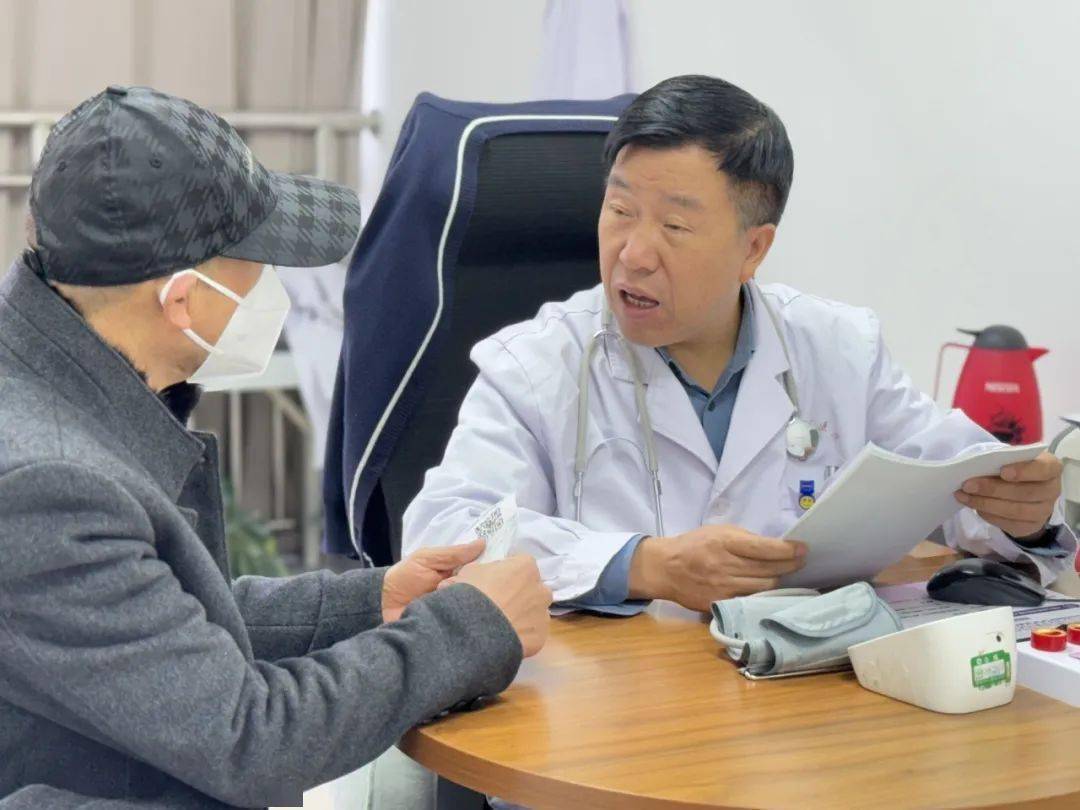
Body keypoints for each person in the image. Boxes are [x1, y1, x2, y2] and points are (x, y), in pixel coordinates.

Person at [0, 86, 551, 809]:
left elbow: (157, 624)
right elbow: (247, 738)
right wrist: (467, 629)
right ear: (181, 300)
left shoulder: (48, 384)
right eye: (258, 260)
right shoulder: (49, 485)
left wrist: (375, 600)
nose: (272, 285)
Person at [402, 74, 1074, 615]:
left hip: (795, 695)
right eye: (620, 211)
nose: (633, 254)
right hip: (603, 712)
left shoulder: (838, 347)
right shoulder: (533, 364)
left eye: (674, 226)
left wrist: (1026, 514)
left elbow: (955, 480)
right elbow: (445, 532)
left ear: (754, 248)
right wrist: (640, 564)